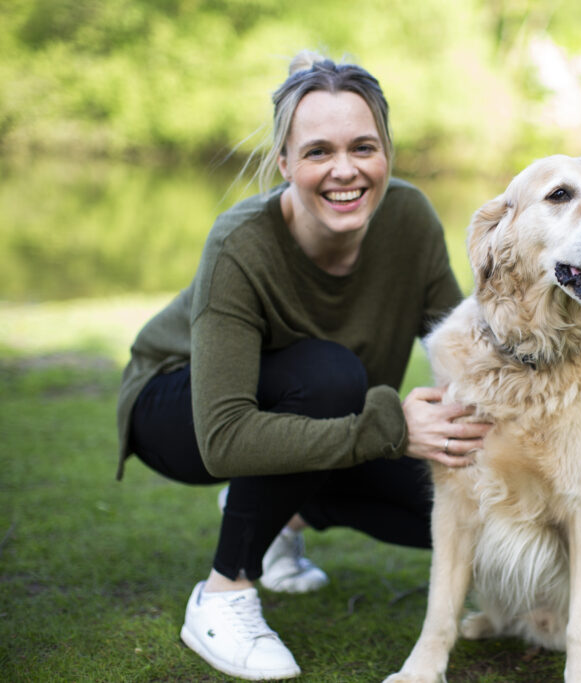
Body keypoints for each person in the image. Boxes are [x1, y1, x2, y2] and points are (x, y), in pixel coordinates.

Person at [115, 50, 489, 680]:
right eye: (318, 152)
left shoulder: (411, 219)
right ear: (284, 163)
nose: (345, 170)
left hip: (321, 415)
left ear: (387, 152)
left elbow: (468, 347)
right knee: (331, 376)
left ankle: (287, 505)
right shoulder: (241, 244)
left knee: (449, 507)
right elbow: (225, 436)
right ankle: (222, 594)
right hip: (180, 408)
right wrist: (395, 429)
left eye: (363, 147)